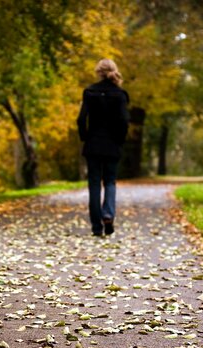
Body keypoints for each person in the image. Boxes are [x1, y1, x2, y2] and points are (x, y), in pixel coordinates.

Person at [77, 59, 129, 236]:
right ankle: (108, 214)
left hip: (93, 145)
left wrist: (85, 137)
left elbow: (81, 119)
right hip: (112, 145)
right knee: (110, 181)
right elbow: (124, 121)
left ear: (98, 72)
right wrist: (120, 140)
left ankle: (96, 227)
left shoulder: (90, 92)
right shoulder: (120, 95)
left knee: (94, 184)